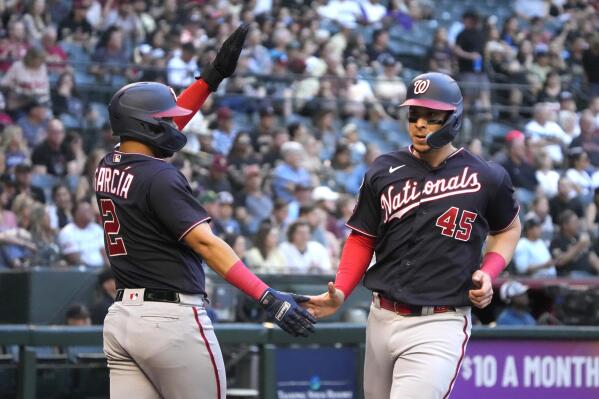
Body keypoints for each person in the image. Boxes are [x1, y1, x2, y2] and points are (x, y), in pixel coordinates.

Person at [96, 25, 315, 399]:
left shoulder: (108, 164)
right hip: (172, 321)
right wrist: (268, 298)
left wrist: (210, 78)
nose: (172, 124)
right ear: (146, 125)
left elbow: (155, 132)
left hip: (123, 320)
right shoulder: (160, 176)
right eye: (163, 120)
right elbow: (207, 245)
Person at [303, 72, 521, 399]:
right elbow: (362, 237)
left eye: (432, 118)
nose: (420, 124)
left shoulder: (485, 176)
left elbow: (508, 229)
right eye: (414, 115)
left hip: (439, 321)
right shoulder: (383, 169)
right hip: (381, 315)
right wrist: (342, 290)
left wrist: (489, 273)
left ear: (453, 119)